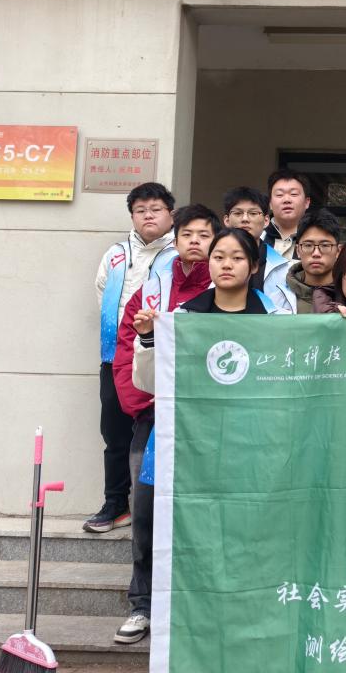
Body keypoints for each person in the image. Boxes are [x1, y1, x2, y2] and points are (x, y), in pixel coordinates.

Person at [120, 227, 280, 646]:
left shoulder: (277, 323)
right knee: (150, 520)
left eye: (237, 257)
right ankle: (143, 607)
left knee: (237, 530)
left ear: (254, 266)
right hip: (185, 441)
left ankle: (232, 610)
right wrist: (149, 338)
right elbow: (149, 382)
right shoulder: (182, 319)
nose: (227, 264)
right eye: (219, 256)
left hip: (247, 445)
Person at [109, 204, 219, 644]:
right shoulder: (151, 288)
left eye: (204, 235)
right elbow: (125, 349)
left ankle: (196, 606)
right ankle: (142, 606)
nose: (195, 241)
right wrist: (142, 402)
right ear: (176, 239)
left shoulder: (225, 290)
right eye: (188, 234)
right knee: (146, 512)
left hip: (210, 422)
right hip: (155, 417)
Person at [87, 182, 177, 534]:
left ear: (171, 214)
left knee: (154, 432)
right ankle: (115, 503)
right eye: (140, 210)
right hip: (115, 356)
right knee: (114, 432)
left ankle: (155, 508)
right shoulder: (115, 254)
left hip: (158, 357)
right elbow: (102, 292)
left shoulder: (179, 252)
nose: (148, 215)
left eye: (155, 209)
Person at [264, 209, 342, 314]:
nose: (316, 253)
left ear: (338, 251)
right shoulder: (277, 299)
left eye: (325, 245)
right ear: (298, 250)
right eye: (308, 245)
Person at [222, 185, 285, 291]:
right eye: (238, 213)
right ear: (227, 220)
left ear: (266, 221)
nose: (245, 219)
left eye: (253, 213)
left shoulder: (281, 266)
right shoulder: (214, 260)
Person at [262, 170, 311, 259]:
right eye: (279, 195)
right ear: (270, 204)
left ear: (306, 202)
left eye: (293, 194)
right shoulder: (258, 237)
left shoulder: (318, 239)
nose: (286, 200)